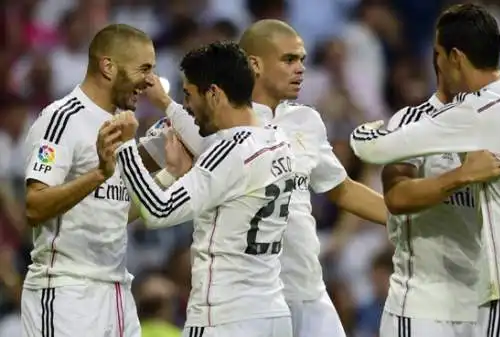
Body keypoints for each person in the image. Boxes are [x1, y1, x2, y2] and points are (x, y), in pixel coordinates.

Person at [350, 4, 500, 337]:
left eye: (437, 52)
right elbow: (395, 198)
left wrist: (367, 130)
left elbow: (369, 147)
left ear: (455, 57)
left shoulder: (479, 110)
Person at [142, 19, 387, 337]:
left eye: (302, 60)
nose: (300, 68)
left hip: (307, 292)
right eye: (289, 60)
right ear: (254, 64)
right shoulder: (208, 119)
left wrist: (405, 218)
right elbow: (148, 169)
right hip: (245, 302)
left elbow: (341, 190)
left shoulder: (305, 120)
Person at [113, 41, 296, 337]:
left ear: (214, 94)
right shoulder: (277, 140)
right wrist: (166, 104)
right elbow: (216, 148)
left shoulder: (226, 153)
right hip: (272, 314)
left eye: (188, 95)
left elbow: (157, 211)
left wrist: (125, 146)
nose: (186, 106)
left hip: (223, 318)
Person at [20, 24, 170, 337]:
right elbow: (34, 207)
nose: (150, 80)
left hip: (117, 293)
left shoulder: (121, 125)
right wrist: (100, 173)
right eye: (143, 68)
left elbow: (113, 209)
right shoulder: (61, 119)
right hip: (66, 292)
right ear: (107, 66)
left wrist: (169, 173)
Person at [378, 58, 500, 336]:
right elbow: (396, 198)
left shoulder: (495, 127)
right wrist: (462, 175)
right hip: (424, 308)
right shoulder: (414, 121)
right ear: (449, 60)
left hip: (482, 306)